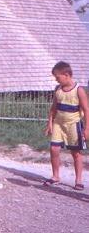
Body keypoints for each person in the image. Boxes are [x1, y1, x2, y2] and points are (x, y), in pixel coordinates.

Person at [43, 61, 89, 190]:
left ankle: (78, 180)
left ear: (67, 75)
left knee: (76, 153)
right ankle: (55, 176)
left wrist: (87, 128)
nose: (56, 80)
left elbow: (86, 110)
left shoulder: (79, 90)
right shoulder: (58, 89)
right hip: (58, 123)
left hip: (73, 125)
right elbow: (53, 108)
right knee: (54, 149)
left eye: (57, 77)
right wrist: (50, 123)